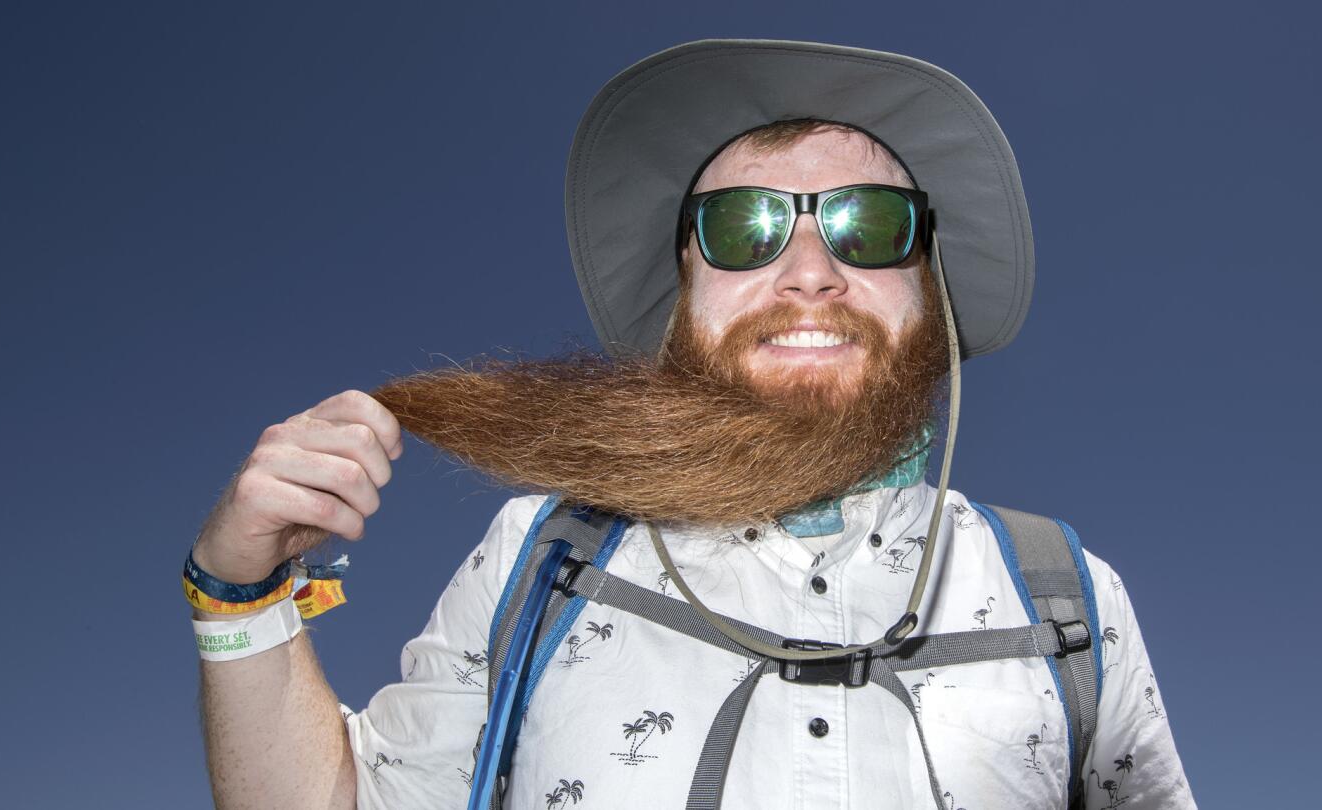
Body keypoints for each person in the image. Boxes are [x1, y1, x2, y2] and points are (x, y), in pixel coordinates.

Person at [190, 40, 1195, 809]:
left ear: (928, 294)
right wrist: (241, 597)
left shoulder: (1066, 597)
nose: (809, 272)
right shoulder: (539, 560)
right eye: (746, 227)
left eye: (869, 225)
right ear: (684, 294)